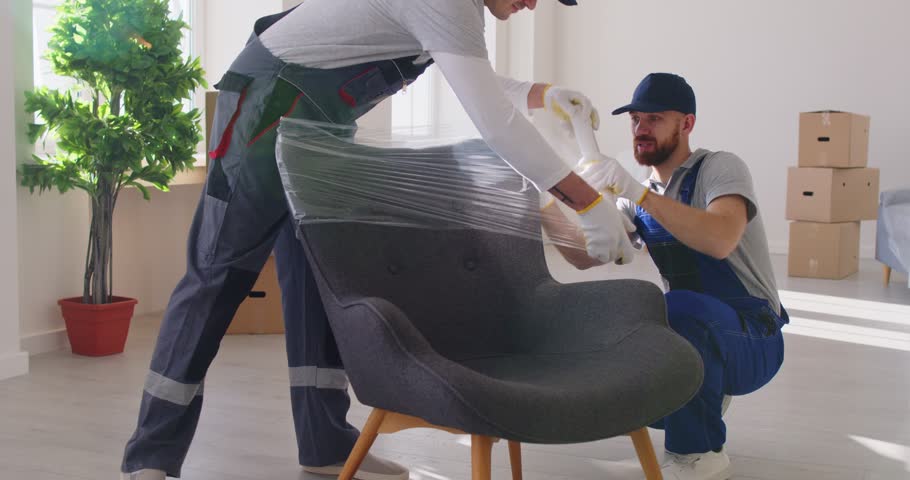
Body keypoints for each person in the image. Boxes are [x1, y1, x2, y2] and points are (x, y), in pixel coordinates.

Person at [120, 1, 636, 479]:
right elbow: (494, 124)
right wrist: (585, 201)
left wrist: (538, 94)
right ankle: (151, 457)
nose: (533, 4)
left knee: (319, 282)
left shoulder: (449, 11)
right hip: (266, 109)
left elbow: (464, 72)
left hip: (319, 128)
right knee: (217, 278)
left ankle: (325, 443)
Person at [542, 73, 788, 480]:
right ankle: (701, 392)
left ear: (686, 124)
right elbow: (585, 256)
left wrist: (640, 195)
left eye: (654, 119)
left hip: (754, 337)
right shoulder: (637, 192)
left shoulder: (719, 168)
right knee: (634, 309)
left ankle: (700, 455)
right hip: (698, 329)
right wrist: (544, 201)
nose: (641, 130)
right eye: (636, 120)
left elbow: (721, 238)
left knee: (676, 307)